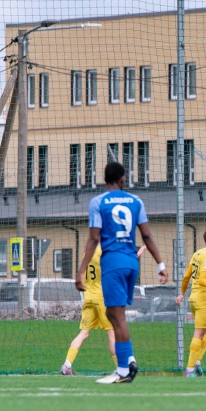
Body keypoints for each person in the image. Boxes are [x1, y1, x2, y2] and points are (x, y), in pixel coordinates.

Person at [75, 162, 168, 384]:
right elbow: (146, 235)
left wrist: (80, 271)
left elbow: (94, 238)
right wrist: (160, 264)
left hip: (113, 263)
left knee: (117, 316)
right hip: (131, 263)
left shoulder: (98, 202)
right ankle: (129, 361)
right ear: (123, 179)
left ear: (104, 179)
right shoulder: (136, 201)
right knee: (113, 314)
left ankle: (124, 369)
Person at [61, 243, 145, 376]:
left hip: (88, 297)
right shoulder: (105, 251)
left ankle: (67, 364)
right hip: (102, 298)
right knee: (112, 334)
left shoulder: (87, 252)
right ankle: (120, 369)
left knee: (83, 333)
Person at [175, 229, 206, 377]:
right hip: (203, 299)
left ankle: (197, 362)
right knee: (199, 333)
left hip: (193, 298)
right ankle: (190, 369)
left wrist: (182, 293)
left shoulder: (197, 253)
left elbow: (187, 276)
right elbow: (202, 279)